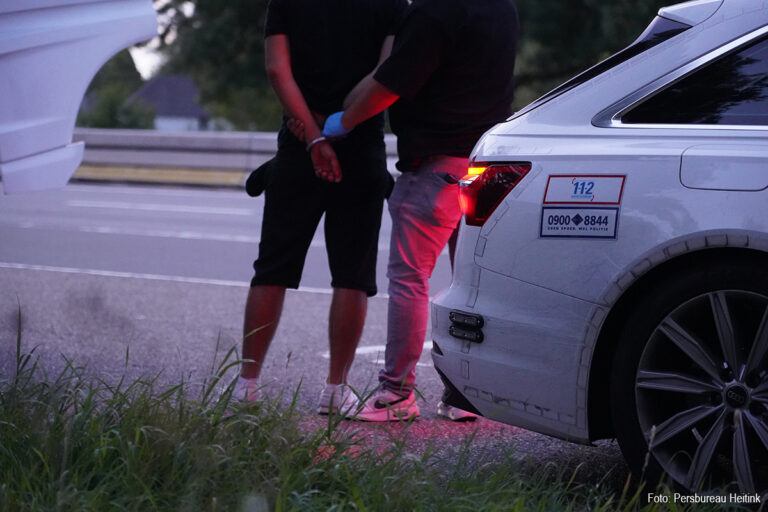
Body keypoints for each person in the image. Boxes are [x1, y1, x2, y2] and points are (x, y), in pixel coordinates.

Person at [323, 0, 520, 421]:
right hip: (487, 165)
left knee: (410, 281)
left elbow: (388, 84)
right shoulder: (502, 8)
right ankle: (467, 395)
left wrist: (345, 118)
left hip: (434, 168)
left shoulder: (435, 11)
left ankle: (397, 393)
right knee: (470, 285)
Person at [233, 0, 407, 414]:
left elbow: (278, 69)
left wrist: (312, 135)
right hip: (362, 145)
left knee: (272, 267)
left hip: (298, 146)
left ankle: (247, 384)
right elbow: (387, 75)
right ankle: (335, 390)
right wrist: (342, 123)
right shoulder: (394, 5)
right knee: (352, 275)